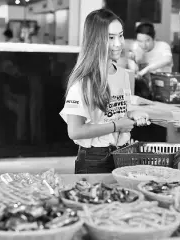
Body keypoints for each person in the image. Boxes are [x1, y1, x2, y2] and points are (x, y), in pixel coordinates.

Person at [60, 9, 150, 174]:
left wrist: (132, 114)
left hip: (122, 153)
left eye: (120, 35)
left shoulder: (123, 74)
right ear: (95, 40)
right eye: (110, 38)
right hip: (94, 159)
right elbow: (75, 131)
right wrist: (116, 126)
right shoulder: (83, 83)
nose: (118, 43)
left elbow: (117, 110)